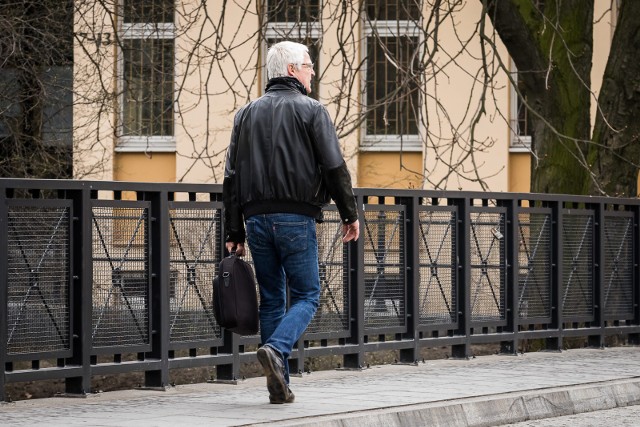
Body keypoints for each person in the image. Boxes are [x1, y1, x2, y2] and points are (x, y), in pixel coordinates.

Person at [222, 41, 360, 404]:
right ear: (291, 71)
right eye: (308, 65)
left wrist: (234, 231)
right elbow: (334, 167)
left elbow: (231, 178)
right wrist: (350, 213)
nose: (313, 71)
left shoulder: (244, 115)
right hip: (296, 218)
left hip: (254, 220)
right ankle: (277, 349)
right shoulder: (312, 110)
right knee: (307, 294)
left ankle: (277, 385)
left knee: (271, 298)